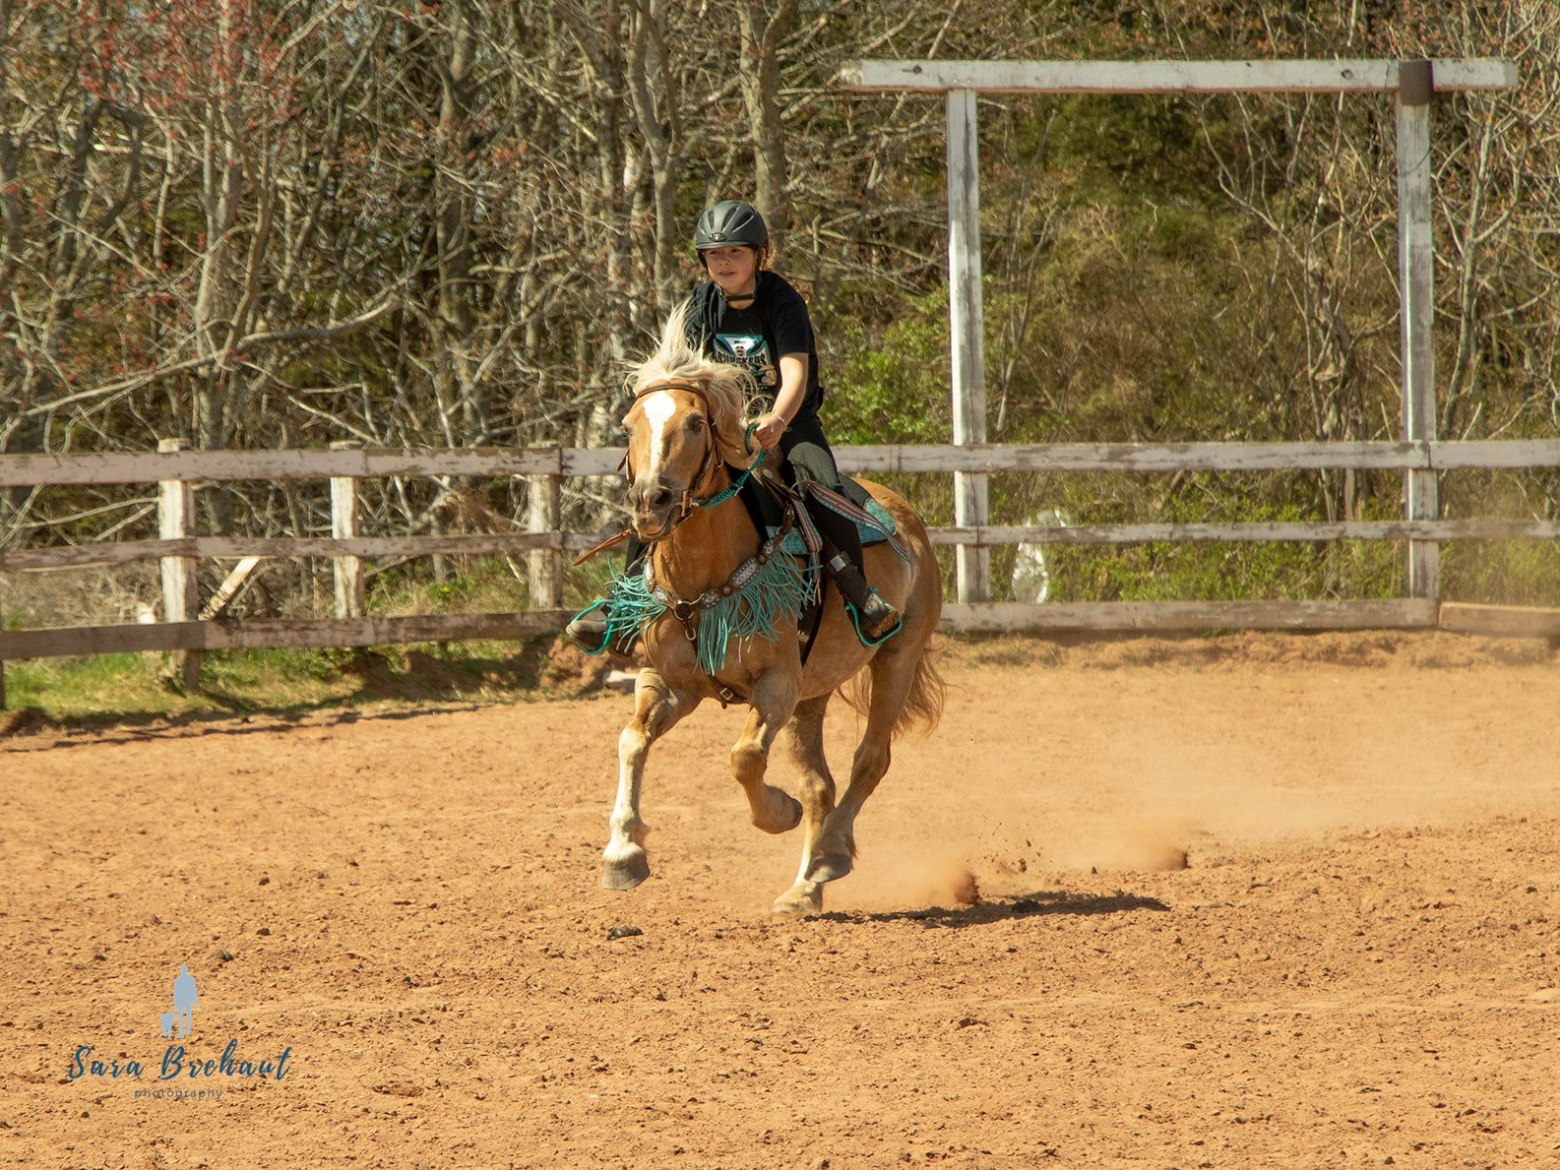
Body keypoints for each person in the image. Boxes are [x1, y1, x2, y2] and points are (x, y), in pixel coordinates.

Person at [566, 200, 901, 651]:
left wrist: (778, 421)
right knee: (656, 489)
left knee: (822, 486)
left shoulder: (782, 302)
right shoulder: (699, 305)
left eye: (735, 253)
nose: (724, 263)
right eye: (714, 255)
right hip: (722, 429)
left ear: (760, 255)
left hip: (790, 422)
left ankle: (860, 594)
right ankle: (621, 605)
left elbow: (796, 373)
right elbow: (684, 376)